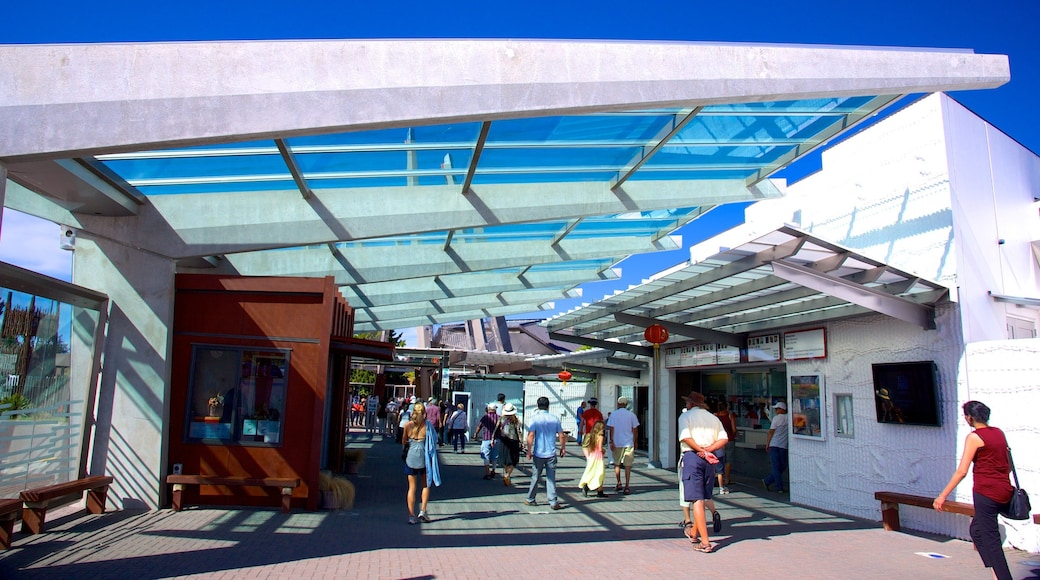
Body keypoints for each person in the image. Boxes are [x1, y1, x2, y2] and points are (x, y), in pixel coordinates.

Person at [933, 401, 1014, 580]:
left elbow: (962, 471)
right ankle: (996, 573)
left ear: (969, 418)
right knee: (977, 530)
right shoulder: (998, 433)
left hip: (986, 492)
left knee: (991, 540)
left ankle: (1002, 577)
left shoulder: (974, 437)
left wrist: (942, 495)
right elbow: (1007, 464)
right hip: (1004, 489)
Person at [677, 390, 728, 553]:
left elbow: (686, 437)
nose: (686, 404)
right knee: (705, 495)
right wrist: (709, 450)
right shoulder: (713, 418)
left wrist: (700, 450)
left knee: (696, 499)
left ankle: (705, 542)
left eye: (687, 402)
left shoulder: (685, 417)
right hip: (709, 458)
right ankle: (693, 533)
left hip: (692, 457)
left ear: (691, 404)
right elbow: (724, 438)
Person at [401, 402, 441, 525]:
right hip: (424, 459)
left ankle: (411, 516)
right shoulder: (427, 426)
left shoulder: (408, 425)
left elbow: (404, 441)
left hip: (411, 458)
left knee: (411, 488)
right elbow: (435, 440)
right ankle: (423, 510)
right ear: (424, 413)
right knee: (425, 485)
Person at [524, 396, 566, 510]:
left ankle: (530, 498)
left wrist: (529, 451)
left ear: (538, 406)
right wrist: (562, 448)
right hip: (551, 452)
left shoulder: (534, 419)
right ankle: (553, 501)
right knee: (551, 477)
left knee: (535, 476)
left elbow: (531, 435)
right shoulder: (554, 418)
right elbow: (561, 435)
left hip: (538, 452)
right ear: (548, 406)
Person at [607, 396, 640, 494]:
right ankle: (627, 486)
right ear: (626, 404)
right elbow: (635, 429)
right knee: (627, 465)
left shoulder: (613, 415)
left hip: (617, 442)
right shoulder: (631, 415)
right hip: (629, 442)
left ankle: (619, 483)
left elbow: (611, 428)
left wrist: (611, 441)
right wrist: (635, 441)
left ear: (618, 404)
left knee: (616, 463)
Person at [762, 401, 789, 493]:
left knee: (776, 466)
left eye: (778, 409)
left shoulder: (776, 419)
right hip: (784, 446)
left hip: (774, 445)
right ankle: (774, 484)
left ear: (782, 409)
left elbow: (771, 432)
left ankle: (772, 483)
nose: (776, 410)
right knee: (783, 465)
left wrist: (767, 443)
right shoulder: (789, 418)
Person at [579, 419, 608, 497]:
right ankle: (598, 490)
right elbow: (600, 448)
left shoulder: (591, 435)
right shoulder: (600, 436)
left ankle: (588, 486)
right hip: (598, 457)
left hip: (592, 456)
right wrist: (604, 451)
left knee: (592, 471)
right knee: (600, 473)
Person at [714, 400, 737, 493]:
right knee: (728, 460)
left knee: (718, 460)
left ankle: (718, 477)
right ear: (726, 407)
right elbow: (734, 429)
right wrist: (732, 435)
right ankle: (727, 479)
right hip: (729, 439)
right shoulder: (730, 416)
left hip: (719, 440)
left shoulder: (715, 416)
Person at [497, 403, 523, 486]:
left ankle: (507, 475)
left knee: (505, 460)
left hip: (504, 441)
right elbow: (518, 432)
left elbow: (497, 429)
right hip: (513, 442)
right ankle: (507, 475)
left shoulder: (501, 419)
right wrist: (521, 442)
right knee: (513, 460)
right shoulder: (516, 420)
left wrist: (493, 438)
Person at [472, 403, 500, 479]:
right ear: (495, 409)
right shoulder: (499, 417)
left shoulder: (485, 417)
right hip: (497, 439)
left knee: (486, 455)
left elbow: (479, 426)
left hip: (486, 439)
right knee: (495, 456)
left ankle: (488, 473)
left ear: (488, 409)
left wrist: (475, 434)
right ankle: (493, 470)